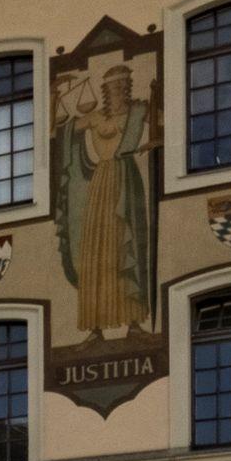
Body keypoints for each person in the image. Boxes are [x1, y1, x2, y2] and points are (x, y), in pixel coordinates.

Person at [57, 64, 157, 341]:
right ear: (105, 89)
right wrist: (54, 94)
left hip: (126, 179)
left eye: (124, 84)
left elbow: (164, 121)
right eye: (114, 85)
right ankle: (95, 327)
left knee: (126, 247)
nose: (119, 89)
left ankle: (133, 322)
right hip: (101, 182)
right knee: (97, 251)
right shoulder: (94, 117)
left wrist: (155, 137)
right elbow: (61, 132)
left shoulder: (138, 111)